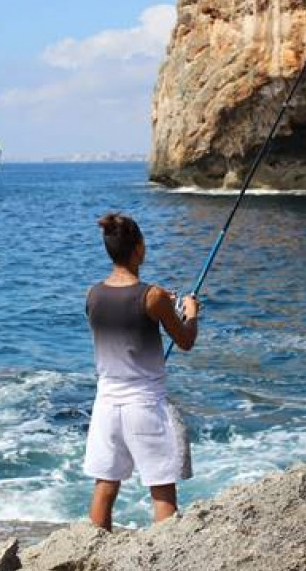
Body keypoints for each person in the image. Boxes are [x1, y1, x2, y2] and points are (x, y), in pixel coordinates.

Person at [83, 212, 200, 531]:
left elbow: (123, 321)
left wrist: (163, 306)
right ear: (138, 249)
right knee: (162, 491)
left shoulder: (92, 295)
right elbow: (186, 340)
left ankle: (93, 556)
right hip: (145, 407)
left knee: (105, 487)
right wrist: (190, 312)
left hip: (106, 405)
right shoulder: (154, 296)